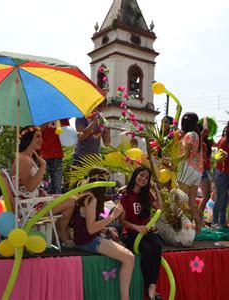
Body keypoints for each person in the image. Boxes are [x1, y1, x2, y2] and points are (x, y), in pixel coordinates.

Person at [73, 167, 134, 300]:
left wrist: (106, 229)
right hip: (87, 241)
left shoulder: (87, 194)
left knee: (124, 248)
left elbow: (86, 225)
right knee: (129, 258)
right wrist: (113, 217)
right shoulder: (91, 198)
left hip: (85, 239)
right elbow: (90, 229)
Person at [12, 126, 76, 248]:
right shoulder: (22, 158)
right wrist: (43, 166)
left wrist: (40, 190)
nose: (41, 140)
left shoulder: (29, 158)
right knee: (71, 201)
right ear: (28, 138)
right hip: (30, 207)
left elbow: (28, 186)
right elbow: (29, 187)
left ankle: (59, 231)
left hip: (34, 201)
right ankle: (61, 232)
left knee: (72, 197)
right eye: (37, 136)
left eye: (41, 137)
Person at [119, 166, 163, 300]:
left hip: (146, 232)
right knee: (146, 250)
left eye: (146, 178)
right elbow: (122, 221)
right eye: (141, 175)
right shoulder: (125, 194)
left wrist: (155, 188)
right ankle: (147, 286)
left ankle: (152, 286)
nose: (143, 179)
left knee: (157, 245)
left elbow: (160, 208)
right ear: (135, 174)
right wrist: (136, 228)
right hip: (131, 233)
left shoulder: (147, 195)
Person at [177, 112, 204, 231]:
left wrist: (170, 161)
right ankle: (198, 227)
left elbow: (185, 155)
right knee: (192, 201)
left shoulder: (189, 135)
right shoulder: (196, 135)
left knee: (179, 199)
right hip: (198, 171)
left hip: (187, 169)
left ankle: (181, 227)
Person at [73, 100, 111, 166]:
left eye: (100, 106)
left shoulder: (103, 121)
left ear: (103, 107)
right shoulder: (81, 117)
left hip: (95, 157)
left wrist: (108, 130)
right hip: (80, 156)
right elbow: (81, 136)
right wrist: (93, 122)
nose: (96, 108)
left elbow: (106, 143)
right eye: (95, 105)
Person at [40, 119, 70, 194]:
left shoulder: (60, 114)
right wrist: (48, 120)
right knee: (39, 181)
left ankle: (57, 203)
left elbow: (67, 131)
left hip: (56, 153)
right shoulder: (40, 113)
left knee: (57, 183)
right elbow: (38, 129)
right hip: (42, 153)